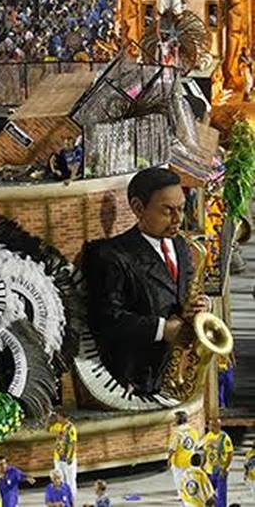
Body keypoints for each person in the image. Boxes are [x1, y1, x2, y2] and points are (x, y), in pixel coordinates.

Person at [82, 167, 209, 395]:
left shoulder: (180, 245)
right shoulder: (109, 255)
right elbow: (105, 320)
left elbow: (186, 292)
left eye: (181, 208)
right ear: (138, 208)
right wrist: (163, 330)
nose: (178, 219)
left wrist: (201, 306)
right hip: (133, 380)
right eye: (168, 210)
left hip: (171, 370)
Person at [200, 417, 233, 507]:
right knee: (208, 493)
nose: (209, 427)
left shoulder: (224, 438)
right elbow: (205, 451)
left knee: (221, 494)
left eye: (211, 425)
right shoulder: (208, 436)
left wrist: (225, 468)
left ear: (217, 426)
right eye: (209, 425)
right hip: (209, 470)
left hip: (220, 470)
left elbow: (230, 454)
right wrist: (202, 465)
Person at [48, 410, 77, 504]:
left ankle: (71, 499)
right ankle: (61, 499)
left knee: (70, 480)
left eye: (58, 416)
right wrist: (49, 418)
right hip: (58, 457)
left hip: (68, 458)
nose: (57, 418)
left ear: (63, 416)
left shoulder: (70, 428)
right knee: (59, 479)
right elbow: (47, 429)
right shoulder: (59, 425)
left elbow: (73, 443)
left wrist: (70, 457)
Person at [169, 411, 200, 498]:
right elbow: (195, 445)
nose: (174, 420)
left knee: (179, 478)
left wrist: (169, 459)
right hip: (190, 458)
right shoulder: (193, 431)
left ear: (179, 420)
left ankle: (182, 494)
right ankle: (191, 493)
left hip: (179, 460)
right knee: (189, 477)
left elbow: (172, 448)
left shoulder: (177, 433)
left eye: (175, 418)